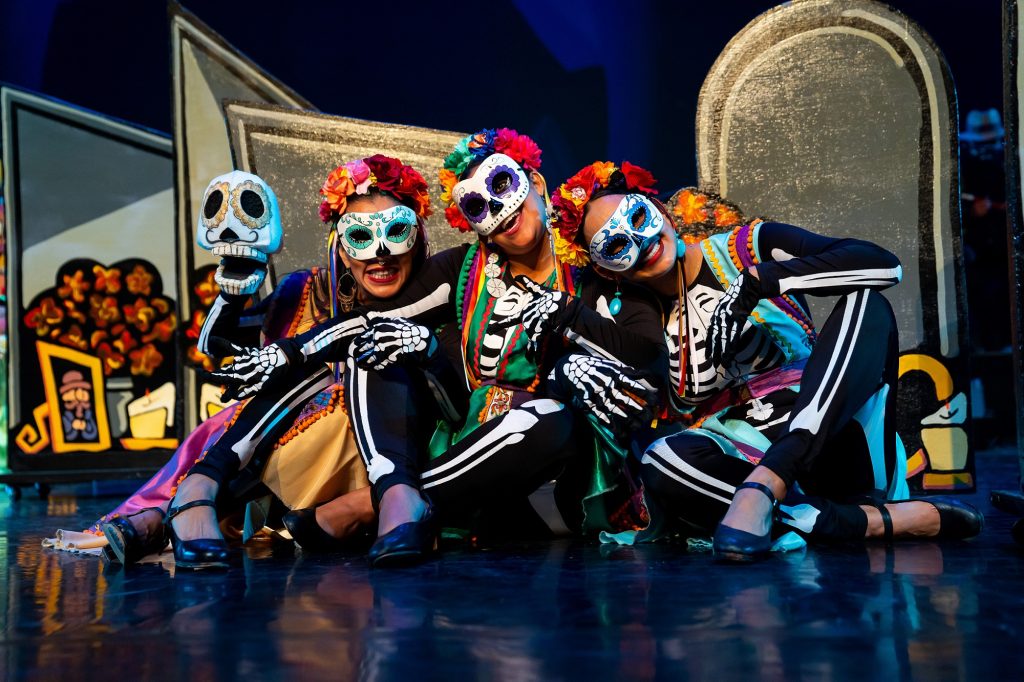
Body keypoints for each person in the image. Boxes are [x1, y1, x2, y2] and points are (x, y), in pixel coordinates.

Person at [215, 129, 668, 566]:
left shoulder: (594, 266)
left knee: (549, 420)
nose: (499, 210)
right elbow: (367, 321)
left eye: (503, 185)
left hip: (557, 477)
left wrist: (571, 332)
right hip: (466, 455)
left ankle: (368, 506)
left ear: (536, 183)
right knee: (381, 342)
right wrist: (288, 353)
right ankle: (394, 496)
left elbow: (649, 359)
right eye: (477, 204)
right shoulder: (464, 268)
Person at [544, 165, 983, 561]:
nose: (642, 242)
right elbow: (636, 396)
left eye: (638, 218)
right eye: (618, 244)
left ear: (658, 207)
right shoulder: (644, 324)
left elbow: (884, 267)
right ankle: (849, 521)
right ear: (607, 270)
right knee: (662, 460)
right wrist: (567, 366)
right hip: (751, 472)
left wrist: (761, 282)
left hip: (836, 438)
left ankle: (773, 486)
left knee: (865, 305)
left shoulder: (745, 248)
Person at [69, 157, 443, 568]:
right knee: (300, 374)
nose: (382, 254)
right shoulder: (307, 288)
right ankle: (187, 502)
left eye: (396, 232)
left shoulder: (441, 295)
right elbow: (224, 349)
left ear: (417, 235)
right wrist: (231, 296)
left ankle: (172, 512)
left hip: (395, 447)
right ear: (340, 243)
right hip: (285, 442)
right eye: (360, 236)